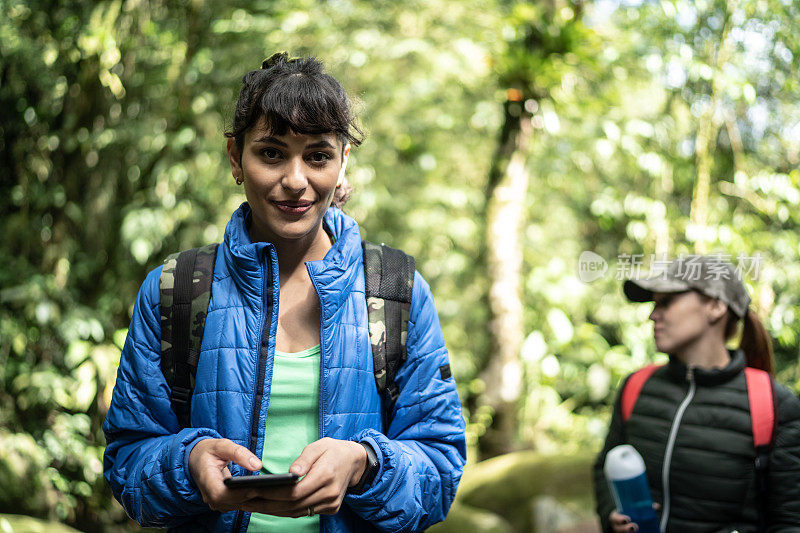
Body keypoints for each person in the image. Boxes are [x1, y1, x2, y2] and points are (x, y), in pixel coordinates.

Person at [103, 53, 466, 533]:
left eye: (317, 155)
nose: (296, 181)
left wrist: (364, 464)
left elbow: (440, 469)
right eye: (271, 152)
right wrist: (188, 463)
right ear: (235, 156)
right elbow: (129, 458)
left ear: (342, 163)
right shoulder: (175, 291)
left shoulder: (395, 291)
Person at [593, 255, 800, 532]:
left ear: (715, 306)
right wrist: (611, 515)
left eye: (666, 302)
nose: (653, 315)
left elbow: (789, 518)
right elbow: (603, 469)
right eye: (654, 304)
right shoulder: (636, 386)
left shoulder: (774, 405)